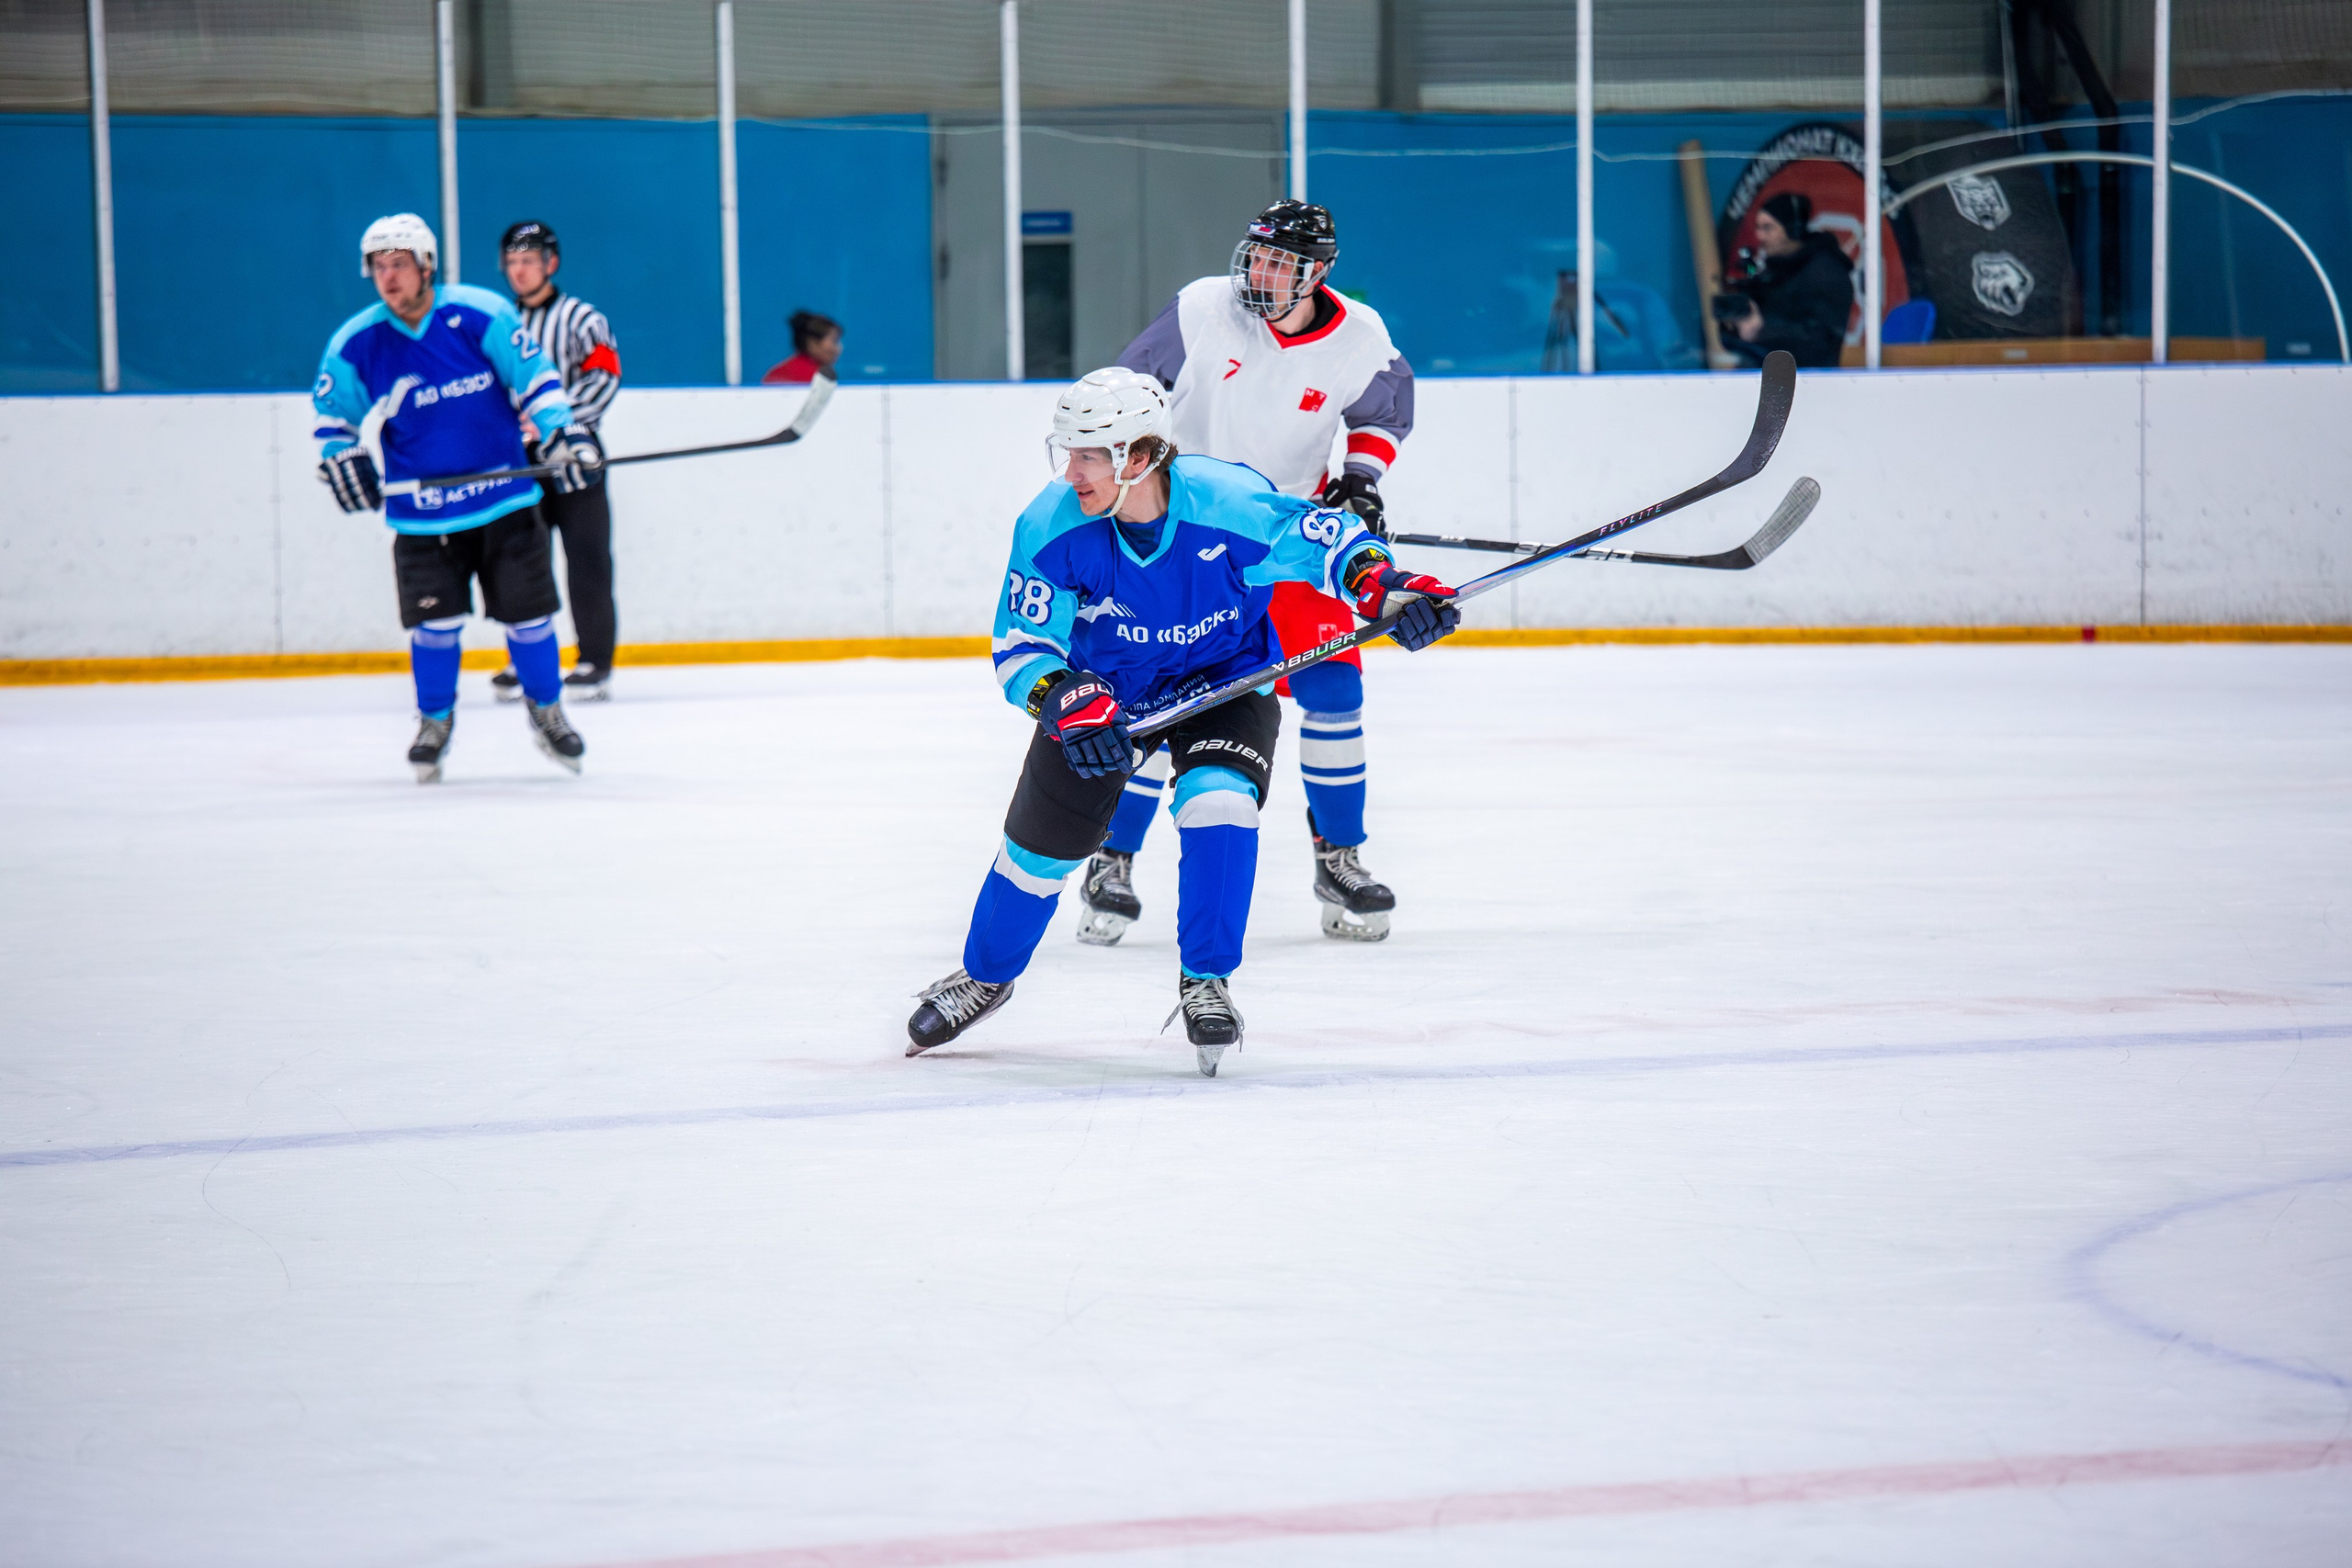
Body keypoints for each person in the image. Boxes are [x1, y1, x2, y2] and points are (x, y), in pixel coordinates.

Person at [904, 368, 1461, 1077]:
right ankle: (984, 977)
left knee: (1220, 802)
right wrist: (1063, 698)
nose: (1071, 473)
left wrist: (1387, 587)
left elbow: (1329, 540)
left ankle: (1206, 979)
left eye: (1089, 456)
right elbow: (1022, 645)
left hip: (1223, 684)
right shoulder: (1050, 526)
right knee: (1038, 854)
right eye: (1068, 453)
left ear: (1140, 456)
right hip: (1106, 702)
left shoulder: (1227, 501)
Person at [1089, 198, 1417, 947]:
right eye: (1258, 255)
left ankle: (1339, 858)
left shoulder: (1361, 337)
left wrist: (1360, 481)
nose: (1261, 272)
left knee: (1334, 689)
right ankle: (1113, 857)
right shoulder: (1204, 308)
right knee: (1160, 702)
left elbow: (1381, 414)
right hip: (1188, 539)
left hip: (1288, 538)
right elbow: (1127, 394)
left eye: (1282, 262)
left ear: (1319, 272)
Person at [311, 212, 595, 783]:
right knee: (435, 627)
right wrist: (342, 455)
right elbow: (332, 419)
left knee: (531, 617)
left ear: (426, 266)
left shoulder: (480, 313)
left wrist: (561, 431)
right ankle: (434, 721)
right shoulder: (357, 343)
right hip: (423, 517)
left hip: (505, 499)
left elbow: (535, 378)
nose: (388, 277)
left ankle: (547, 710)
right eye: (378, 267)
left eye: (399, 264)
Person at [490, 220, 624, 702]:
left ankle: (594, 660)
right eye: (512, 262)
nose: (519, 270)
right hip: (517, 460)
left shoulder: (582, 318)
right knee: (520, 563)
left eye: (528, 260)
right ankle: (526, 658)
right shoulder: (498, 321)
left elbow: (604, 376)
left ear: (552, 263)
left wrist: (556, 422)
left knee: (587, 559)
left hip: (575, 456)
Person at [1723, 192, 1855, 370]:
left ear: (1793, 229)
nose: (1760, 236)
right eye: (1758, 227)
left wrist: (1762, 328)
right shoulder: (1775, 270)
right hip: (1765, 373)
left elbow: (1818, 339)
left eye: (1768, 228)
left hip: (1809, 379)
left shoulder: (1825, 274)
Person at [761, 310, 842, 385]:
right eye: (834, 341)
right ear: (812, 343)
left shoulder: (777, 372)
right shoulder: (815, 379)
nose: (839, 349)